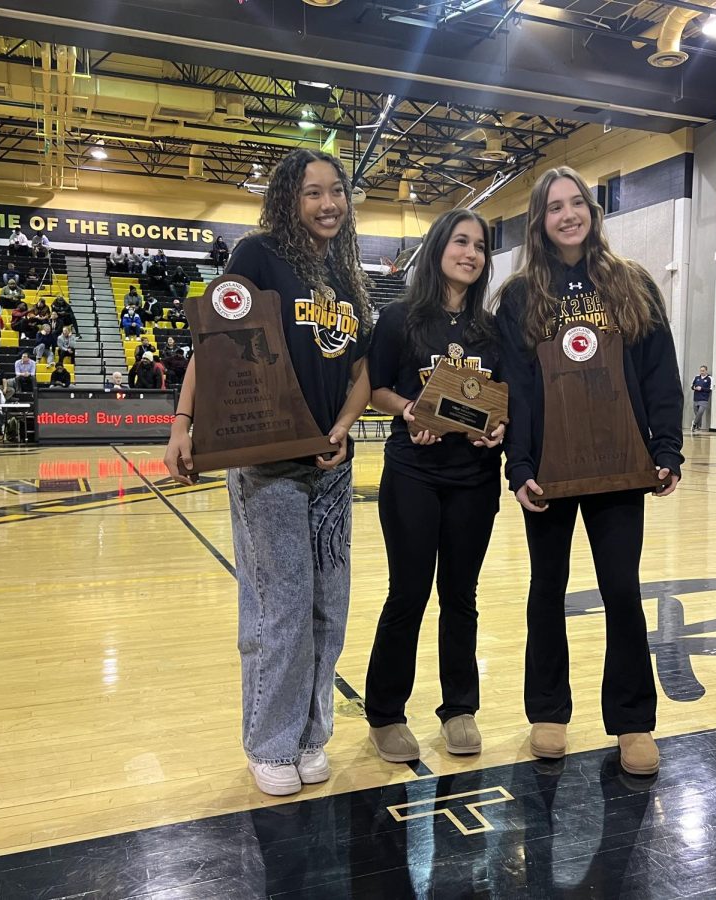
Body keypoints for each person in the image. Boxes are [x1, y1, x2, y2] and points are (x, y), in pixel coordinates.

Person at [163, 148, 372, 797]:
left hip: (332, 468)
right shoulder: (257, 255)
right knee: (279, 608)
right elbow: (218, 342)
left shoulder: (347, 273)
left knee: (327, 609)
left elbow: (362, 372)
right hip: (268, 465)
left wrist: (340, 429)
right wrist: (183, 421)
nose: (328, 203)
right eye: (313, 193)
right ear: (289, 199)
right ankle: (270, 741)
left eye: (335, 191)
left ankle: (312, 735)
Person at [495, 166, 683, 776]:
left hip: (620, 467)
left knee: (622, 591)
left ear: (593, 212)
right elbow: (516, 389)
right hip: (550, 469)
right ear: (539, 220)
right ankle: (547, 712)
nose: (569, 214)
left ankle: (632, 722)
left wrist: (667, 447)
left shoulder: (631, 283)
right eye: (555, 207)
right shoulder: (521, 296)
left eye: (578, 203)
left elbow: (659, 370)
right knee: (545, 590)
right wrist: (518, 464)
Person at [363, 209, 505, 764]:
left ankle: (459, 708)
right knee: (409, 593)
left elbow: (505, 396)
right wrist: (409, 411)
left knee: (461, 597)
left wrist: (498, 427)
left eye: (480, 246)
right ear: (439, 248)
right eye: (461, 241)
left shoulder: (492, 330)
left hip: (473, 479)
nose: (470, 253)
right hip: (413, 475)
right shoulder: (400, 318)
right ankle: (385, 714)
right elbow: (376, 388)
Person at [691, 365, 713, 432]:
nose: (702, 372)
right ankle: (698, 427)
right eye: (701, 370)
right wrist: (694, 388)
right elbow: (691, 385)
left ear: (706, 371)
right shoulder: (696, 377)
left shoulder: (710, 378)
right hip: (696, 398)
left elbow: (711, 389)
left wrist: (702, 388)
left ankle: (694, 424)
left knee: (700, 412)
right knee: (697, 413)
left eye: (703, 371)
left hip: (704, 399)